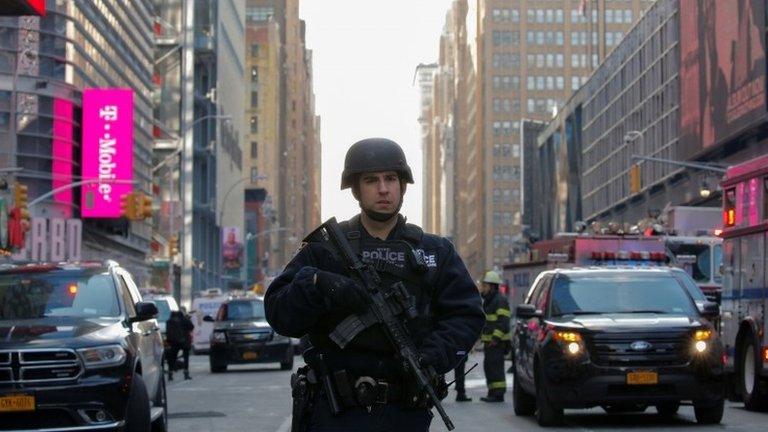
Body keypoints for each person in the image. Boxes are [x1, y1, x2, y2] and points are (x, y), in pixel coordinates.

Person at [265, 138, 484, 432]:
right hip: (336, 414)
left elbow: (466, 316)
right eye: (371, 180)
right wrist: (316, 283)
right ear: (355, 189)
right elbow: (279, 314)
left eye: (391, 179)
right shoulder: (325, 250)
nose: (383, 189)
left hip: (405, 411)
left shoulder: (435, 252)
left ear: (402, 186)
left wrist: (431, 358)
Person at [479, 270, 511, 402]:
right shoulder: (489, 301)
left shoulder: (500, 300)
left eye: (485, 286)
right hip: (490, 342)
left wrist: (495, 338)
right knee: (489, 367)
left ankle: (498, 394)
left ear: (492, 287)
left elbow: (503, 322)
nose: (483, 289)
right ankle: (492, 392)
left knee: (496, 368)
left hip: (497, 342)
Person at [166, 306, 195, 381]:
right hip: (184, 341)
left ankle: (170, 374)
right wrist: (188, 319)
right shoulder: (184, 319)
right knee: (186, 357)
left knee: (172, 358)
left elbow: (168, 332)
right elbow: (191, 327)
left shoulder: (169, 321)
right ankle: (186, 373)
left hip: (173, 342)